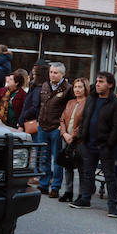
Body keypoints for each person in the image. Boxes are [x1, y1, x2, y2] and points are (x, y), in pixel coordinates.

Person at [73, 72, 117, 214]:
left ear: (110, 85)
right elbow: (85, 118)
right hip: (89, 143)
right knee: (88, 173)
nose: (97, 84)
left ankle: (112, 207)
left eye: (101, 82)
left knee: (110, 176)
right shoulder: (91, 99)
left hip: (106, 146)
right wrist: (83, 136)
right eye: (96, 81)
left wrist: (109, 144)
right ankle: (85, 199)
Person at [37, 62, 72, 198]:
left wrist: (62, 127)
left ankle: (56, 187)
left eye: (55, 72)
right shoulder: (45, 85)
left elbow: (69, 110)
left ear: (62, 74)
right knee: (43, 158)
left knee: (57, 160)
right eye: (51, 72)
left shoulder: (68, 89)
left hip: (56, 128)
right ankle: (43, 184)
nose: (52, 74)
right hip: (43, 127)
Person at [58, 77, 89, 202]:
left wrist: (73, 135)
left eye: (80, 87)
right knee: (67, 165)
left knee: (81, 167)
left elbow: (85, 122)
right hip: (66, 137)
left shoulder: (88, 103)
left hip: (80, 140)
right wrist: (64, 133)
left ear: (85, 88)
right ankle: (68, 191)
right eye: (75, 87)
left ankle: (82, 194)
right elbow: (62, 119)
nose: (77, 89)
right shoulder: (70, 102)